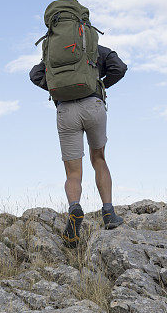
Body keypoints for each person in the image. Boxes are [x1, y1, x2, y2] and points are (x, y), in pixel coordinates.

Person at [29, 39, 128, 247]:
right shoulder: (93, 47)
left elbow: (35, 75)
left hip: (66, 110)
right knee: (99, 159)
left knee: (73, 172)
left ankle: (75, 207)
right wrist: (99, 85)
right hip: (93, 104)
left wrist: (58, 89)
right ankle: (108, 213)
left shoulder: (54, 52)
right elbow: (119, 67)